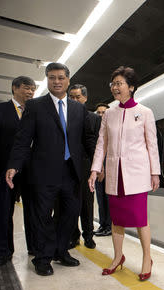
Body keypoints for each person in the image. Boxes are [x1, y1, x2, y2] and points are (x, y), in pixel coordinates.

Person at [6, 63, 95, 276]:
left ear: (68, 80)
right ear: (47, 79)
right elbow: (23, 139)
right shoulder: (35, 106)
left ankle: (61, 251)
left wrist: (99, 164)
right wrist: (13, 165)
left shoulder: (78, 109)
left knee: (70, 214)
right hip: (43, 173)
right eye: (52, 77)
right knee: (43, 216)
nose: (57, 81)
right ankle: (43, 258)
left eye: (61, 77)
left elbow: (87, 140)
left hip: (71, 173)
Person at [88, 66, 160, 281]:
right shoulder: (108, 113)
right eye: (113, 84)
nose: (115, 87)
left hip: (137, 174)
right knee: (116, 220)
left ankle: (147, 258)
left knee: (140, 219)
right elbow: (102, 143)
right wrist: (95, 169)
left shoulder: (145, 112)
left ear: (131, 87)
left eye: (119, 83)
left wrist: (155, 173)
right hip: (114, 174)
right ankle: (118, 257)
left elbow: (152, 145)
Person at [0, 76, 36, 266]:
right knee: (3, 211)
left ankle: (34, 246)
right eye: (26, 88)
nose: (31, 92)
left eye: (33, 89)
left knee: (33, 211)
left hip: (31, 169)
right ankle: (4, 251)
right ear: (14, 88)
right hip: (4, 168)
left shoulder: (35, 111)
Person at [68, 84, 100, 249]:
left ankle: (89, 236)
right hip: (68, 168)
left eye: (77, 97)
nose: (74, 100)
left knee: (87, 204)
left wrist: (97, 167)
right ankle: (74, 236)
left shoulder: (94, 118)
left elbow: (97, 145)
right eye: (71, 97)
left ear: (85, 98)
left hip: (87, 167)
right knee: (71, 203)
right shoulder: (64, 117)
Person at [93, 103, 112, 237]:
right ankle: (102, 225)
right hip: (99, 168)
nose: (100, 115)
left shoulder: (112, 129)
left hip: (109, 168)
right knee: (100, 199)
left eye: (103, 112)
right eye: (98, 113)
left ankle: (110, 226)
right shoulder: (96, 130)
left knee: (108, 199)